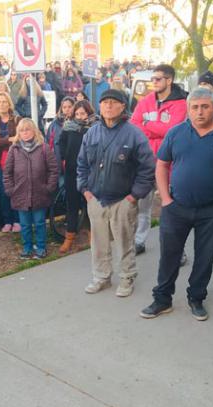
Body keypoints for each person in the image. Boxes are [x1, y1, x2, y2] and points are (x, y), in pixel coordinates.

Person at [139, 88, 213, 320]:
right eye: (194, 107)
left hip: (212, 211)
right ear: (188, 109)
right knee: (169, 256)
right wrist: (165, 199)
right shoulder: (176, 133)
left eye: (205, 106)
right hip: (176, 207)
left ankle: (196, 298)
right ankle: (162, 299)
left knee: (204, 258)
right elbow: (162, 165)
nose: (199, 112)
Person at [77, 89, 156, 296]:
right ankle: (101, 277)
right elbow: (82, 164)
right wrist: (85, 189)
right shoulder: (92, 133)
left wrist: (134, 196)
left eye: (113, 102)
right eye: (104, 102)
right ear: (100, 107)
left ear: (123, 107)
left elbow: (147, 168)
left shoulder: (134, 134)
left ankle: (127, 277)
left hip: (123, 199)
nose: (108, 106)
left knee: (124, 241)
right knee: (99, 242)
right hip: (96, 198)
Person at [129, 64, 188, 258]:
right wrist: (158, 127)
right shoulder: (145, 101)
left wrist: (147, 125)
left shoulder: (181, 103)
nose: (153, 82)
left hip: (170, 164)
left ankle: (177, 251)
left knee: (171, 207)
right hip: (145, 162)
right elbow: (134, 126)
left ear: (169, 80)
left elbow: (172, 130)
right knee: (143, 206)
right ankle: (139, 241)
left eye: (158, 79)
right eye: (152, 79)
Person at [3, 118, 59, 259]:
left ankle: (41, 247)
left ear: (34, 130)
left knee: (40, 223)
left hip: (40, 193)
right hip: (20, 194)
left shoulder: (44, 148)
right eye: (22, 130)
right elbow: (7, 172)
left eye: (27, 129)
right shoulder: (14, 149)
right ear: (18, 133)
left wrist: (49, 187)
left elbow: (53, 170)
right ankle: (27, 247)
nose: (25, 133)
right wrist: (10, 189)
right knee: (25, 224)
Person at [57, 100, 97, 253]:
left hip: (90, 172)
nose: (80, 117)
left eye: (83, 113)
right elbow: (61, 144)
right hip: (72, 171)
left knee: (90, 204)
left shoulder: (95, 127)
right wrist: (65, 157)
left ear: (89, 113)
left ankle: (93, 235)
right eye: (77, 114)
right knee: (72, 205)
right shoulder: (68, 127)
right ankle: (69, 237)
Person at [0, 92, 23, 233]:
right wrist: (8, 139)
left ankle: (17, 220)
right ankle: (7, 221)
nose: (2, 104)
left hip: (16, 161)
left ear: (9, 104)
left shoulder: (17, 120)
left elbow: (20, 139)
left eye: (4, 101)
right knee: (4, 192)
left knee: (17, 192)